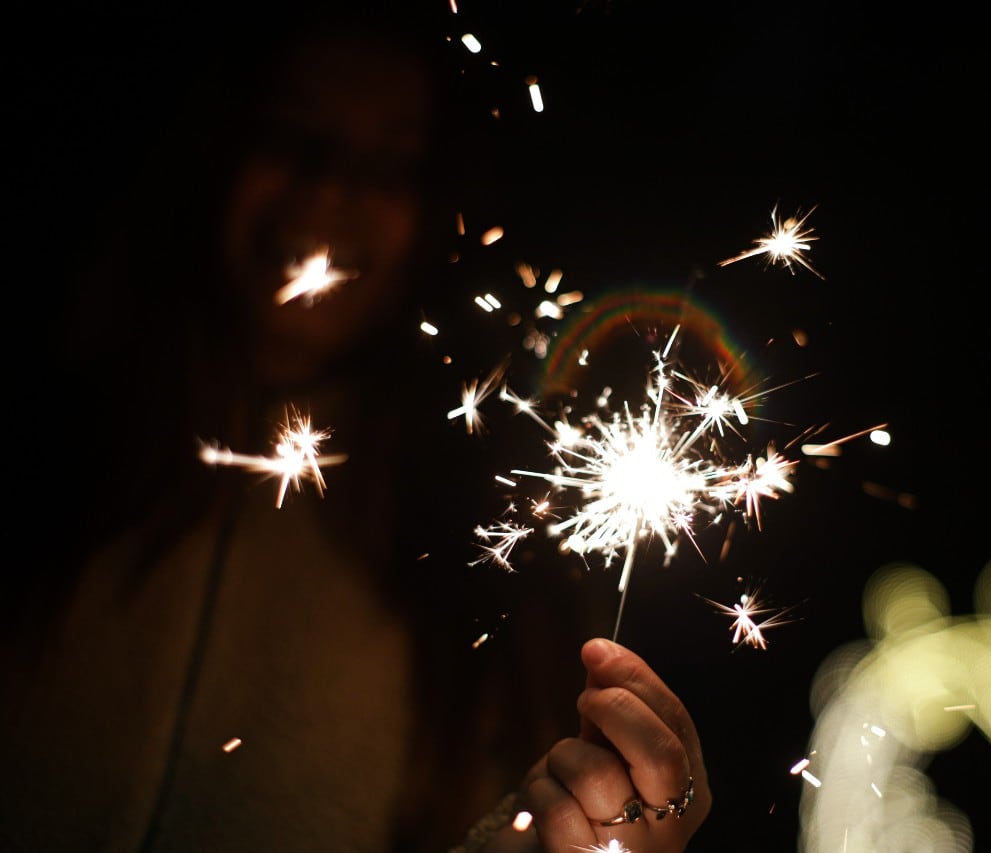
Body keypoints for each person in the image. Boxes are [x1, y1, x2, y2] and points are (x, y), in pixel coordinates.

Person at [3, 7, 710, 852]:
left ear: (434, 210)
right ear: (211, 153)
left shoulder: (498, 561)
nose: (331, 191)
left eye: (388, 163)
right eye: (294, 136)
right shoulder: (41, 456)